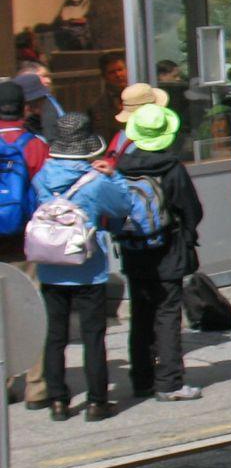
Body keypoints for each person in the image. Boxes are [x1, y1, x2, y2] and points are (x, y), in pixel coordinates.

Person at [31, 114, 132, 421]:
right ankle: (97, 402)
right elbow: (123, 206)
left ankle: (58, 401)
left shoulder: (42, 177)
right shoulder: (96, 181)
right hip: (88, 266)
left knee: (54, 335)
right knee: (93, 336)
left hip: (51, 265)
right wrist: (113, 176)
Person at [116, 103, 204, 402]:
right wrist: (188, 235)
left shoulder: (122, 167)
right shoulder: (172, 168)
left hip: (133, 250)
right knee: (167, 314)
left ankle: (141, 380)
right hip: (168, 250)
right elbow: (191, 209)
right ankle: (169, 383)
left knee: (141, 315)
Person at [0, 81, 51, 408]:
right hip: (25, 241)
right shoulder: (34, 145)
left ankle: (3, 382)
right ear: (24, 107)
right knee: (32, 305)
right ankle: (37, 386)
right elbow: (47, 194)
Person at [89, 51, 129, 138]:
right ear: (104, 77)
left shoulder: (142, 96)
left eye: (120, 70)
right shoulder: (97, 107)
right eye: (112, 72)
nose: (118, 75)